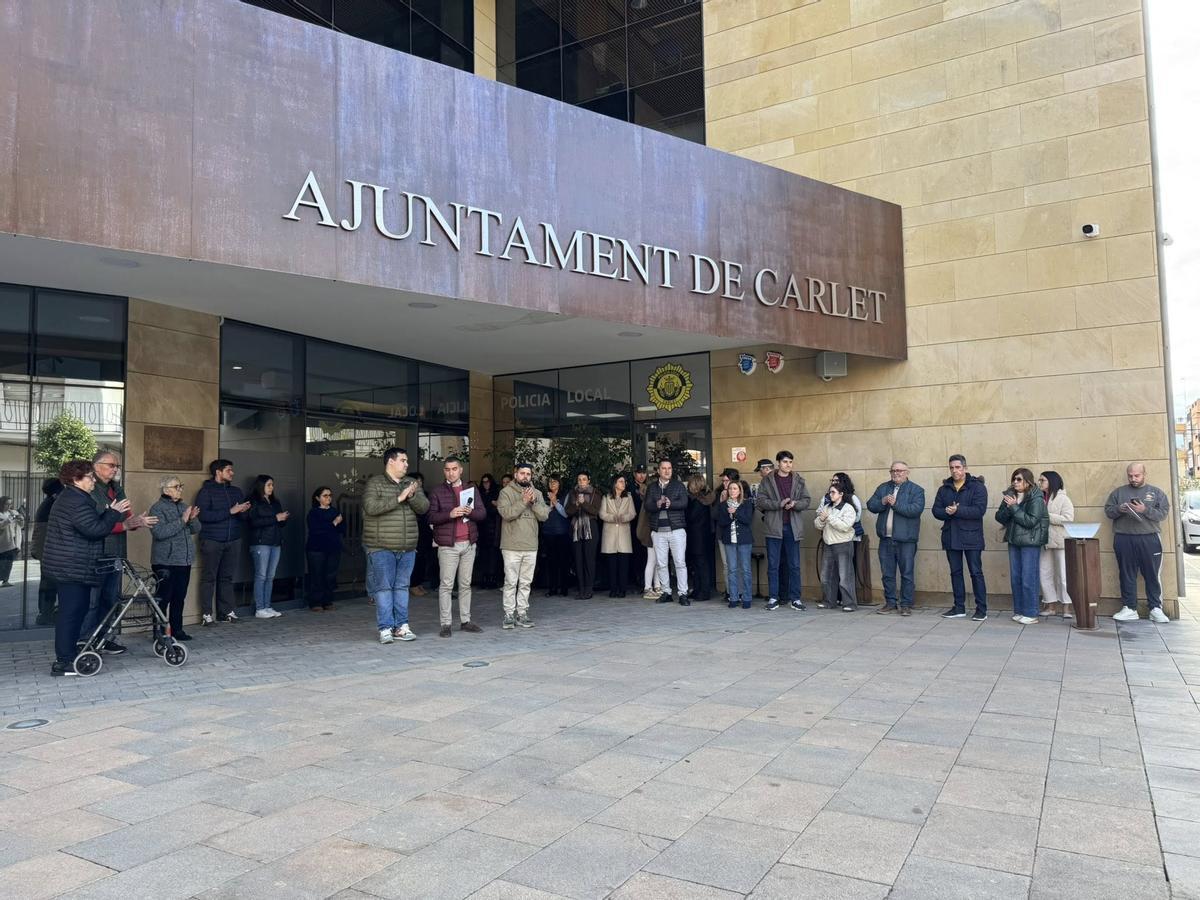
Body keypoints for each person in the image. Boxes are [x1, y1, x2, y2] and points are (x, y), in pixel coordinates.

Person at [43, 459, 127, 676]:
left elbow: (90, 525)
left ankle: (69, 654)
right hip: (71, 566)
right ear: (76, 479)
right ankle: (64, 661)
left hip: (73, 566)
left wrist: (109, 513)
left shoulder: (75, 497)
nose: (93, 481)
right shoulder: (75, 500)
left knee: (75, 611)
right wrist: (113, 512)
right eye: (89, 477)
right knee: (71, 614)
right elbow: (94, 530)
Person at [82, 451, 155, 649]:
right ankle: (85, 641)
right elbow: (94, 524)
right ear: (96, 466)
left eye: (117, 466)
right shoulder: (89, 487)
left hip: (115, 553)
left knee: (110, 598)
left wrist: (137, 521)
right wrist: (123, 524)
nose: (115, 469)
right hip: (95, 553)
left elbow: (127, 518)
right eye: (111, 465)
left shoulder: (117, 488)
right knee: (92, 601)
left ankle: (105, 639)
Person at [362, 446, 428, 643]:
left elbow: (424, 507)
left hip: (407, 547)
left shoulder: (412, 483)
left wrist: (412, 495)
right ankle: (385, 628)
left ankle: (402, 627)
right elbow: (371, 507)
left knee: (402, 587)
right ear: (391, 461)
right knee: (383, 588)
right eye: (403, 460)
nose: (407, 464)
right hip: (381, 546)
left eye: (407, 461)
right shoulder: (375, 483)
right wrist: (399, 498)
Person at [428, 455, 487, 637]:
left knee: (465, 584)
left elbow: (482, 513)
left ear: (461, 470)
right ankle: (446, 624)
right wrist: (450, 514)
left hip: (468, 543)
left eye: (454, 469)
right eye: (447, 469)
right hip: (448, 545)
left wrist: (471, 512)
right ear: (444, 471)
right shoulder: (437, 491)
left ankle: (465, 621)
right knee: (446, 585)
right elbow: (430, 517)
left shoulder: (471, 489)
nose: (451, 473)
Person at [1105, 462, 1171, 623]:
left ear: (1144, 474)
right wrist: (1119, 509)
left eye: (1137, 475)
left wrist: (1145, 510)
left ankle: (1155, 608)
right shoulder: (1118, 492)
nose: (1133, 479)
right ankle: (1129, 608)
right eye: (1130, 476)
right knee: (1126, 573)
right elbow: (1108, 511)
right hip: (1124, 538)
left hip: (1149, 538)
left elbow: (1163, 514)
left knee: (1152, 574)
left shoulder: (1156, 493)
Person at [932, 454, 989, 621]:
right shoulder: (944, 488)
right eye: (952, 467)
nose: (954, 470)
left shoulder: (977, 487)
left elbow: (979, 510)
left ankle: (981, 609)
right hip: (951, 536)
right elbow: (936, 510)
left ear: (965, 468)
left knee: (976, 573)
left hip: (972, 537)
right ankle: (959, 607)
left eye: (958, 467)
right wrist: (947, 511)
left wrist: (958, 510)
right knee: (955, 572)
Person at [196, 458, 251, 624]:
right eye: (228, 470)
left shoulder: (236, 491)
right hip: (212, 540)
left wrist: (243, 511)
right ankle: (206, 614)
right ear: (218, 472)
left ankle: (227, 612)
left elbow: (243, 518)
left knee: (227, 577)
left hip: (233, 540)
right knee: (209, 578)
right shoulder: (206, 492)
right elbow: (203, 516)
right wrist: (230, 511)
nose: (232, 473)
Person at [755, 450, 811, 611]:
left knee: (794, 565)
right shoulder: (767, 480)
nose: (788, 465)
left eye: (790, 462)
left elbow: (806, 500)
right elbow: (760, 501)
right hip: (774, 527)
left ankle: (796, 599)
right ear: (778, 463)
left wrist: (795, 504)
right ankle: (774, 597)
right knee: (773, 565)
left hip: (793, 527)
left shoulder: (799, 480)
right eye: (785, 462)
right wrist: (778, 504)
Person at [866, 461, 925, 616]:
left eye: (899, 470)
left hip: (906, 540)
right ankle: (890, 603)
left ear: (907, 472)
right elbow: (871, 505)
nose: (896, 473)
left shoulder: (916, 490)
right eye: (893, 470)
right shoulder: (883, 488)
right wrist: (882, 501)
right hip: (886, 539)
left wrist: (896, 504)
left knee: (907, 573)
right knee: (887, 574)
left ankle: (906, 604)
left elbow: (915, 510)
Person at [148, 476, 201, 641]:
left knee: (179, 597)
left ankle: (177, 630)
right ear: (166, 490)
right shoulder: (157, 508)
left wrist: (192, 519)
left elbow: (196, 529)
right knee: (163, 598)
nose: (180, 489)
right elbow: (159, 533)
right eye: (176, 486)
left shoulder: (184, 506)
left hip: (184, 561)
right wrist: (182, 520)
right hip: (165, 562)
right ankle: (160, 633)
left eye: (181, 486)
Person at [996, 468, 1049, 625]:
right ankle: (1019, 610)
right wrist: (1009, 508)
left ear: (1028, 481)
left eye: (1019, 479)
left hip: (1030, 542)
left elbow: (1030, 521)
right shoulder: (1010, 495)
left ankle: (1031, 613)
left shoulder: (1036, 497)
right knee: (1016, 578)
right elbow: (999, 517)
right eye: (1014, 479)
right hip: (1014, 540)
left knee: (1028, 577)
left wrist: (1014, 507)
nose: (1015, 482)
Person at [497, 463, 548, 628]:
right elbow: (506, 514)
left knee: (526, 582)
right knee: (510, 582)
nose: (525, 476)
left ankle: (522, 613)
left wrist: (533, 502)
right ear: (515, 474)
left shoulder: (537, 493)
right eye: (522, 473)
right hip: (511, 546)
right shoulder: (506, 492)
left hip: (531, 545)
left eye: (528, 474)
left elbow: (544, 516)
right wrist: (523, 501)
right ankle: (508, 614)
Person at [645, 458, 690, 605]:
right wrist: (657, 504)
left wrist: (671, 504)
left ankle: (683, 593)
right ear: (658, 470)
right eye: (664, 468)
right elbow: (647, 506)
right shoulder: (652, 487)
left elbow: (685, 503)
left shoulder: (679, 485)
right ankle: (666, 592)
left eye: (669, 468)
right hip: (658, 531)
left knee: (680, 562)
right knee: (661, 563)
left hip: (676, 529)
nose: (667, 471)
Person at [815, 472, 862, 608]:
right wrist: (821, 520)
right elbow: (817, 525)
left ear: (841, 494)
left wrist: (829, 518)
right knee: (826, 577)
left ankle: (850, 603)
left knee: (845, 576)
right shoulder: (827, 507)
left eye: (833, 492)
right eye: (830, 492)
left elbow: (845, 526)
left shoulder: (848, 508)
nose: (830, 495)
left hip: (843, 544)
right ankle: (829, 601)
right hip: (828, 543)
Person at [247, 474, 290, 619]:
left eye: (272, 485)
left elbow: (280, 524)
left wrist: (283, 518)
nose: (272, 487)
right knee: (261, 575)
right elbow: (253, 523)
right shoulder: (254, 501)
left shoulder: (275, 502)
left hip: (275, 542)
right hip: (261, 543)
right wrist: (275, 518)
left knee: (270, 576)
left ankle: (267, 606)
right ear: (261, 486)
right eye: (269, 485)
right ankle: (260, 608)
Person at [1037, 471, 1075, 619]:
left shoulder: (1064, 498)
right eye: (1040, 480)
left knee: (1063, 574)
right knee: (1044, 573)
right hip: (1043, 541)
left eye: (1043, 480)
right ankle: (1050, 605)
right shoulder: (1039, 498)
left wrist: (1046, 516)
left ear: (1052, 481)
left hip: (1060, 541)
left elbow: (1068, 519)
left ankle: (1067, 607)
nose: (1040, 483)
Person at [714, 478, 754, 609]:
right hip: (729, 540)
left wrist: (735, 513)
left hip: (744, 540)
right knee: (732, 569)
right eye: (730, 489)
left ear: (740, 491)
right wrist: (729, 515)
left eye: (735, 488)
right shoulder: (722, 505)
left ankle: (747, 597)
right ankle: (734, 597)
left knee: (746, 569)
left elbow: (747, 520)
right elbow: (721, 522)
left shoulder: (747, 503)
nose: (732, 491)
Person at [306, 485, 345, 611]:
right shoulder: (313, 513)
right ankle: (315, 602)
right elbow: (316, 530)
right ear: (318, 498)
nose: (328, 498)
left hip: (333, 548)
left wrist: (336, 524)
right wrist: (333, 523)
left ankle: (327, 601)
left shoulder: (335, 511)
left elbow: (342, 529)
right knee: (317, 575)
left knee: (330, 575)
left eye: (330, 495)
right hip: (316, 549)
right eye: (325, 495)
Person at [31, 478, 63, 626]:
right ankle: (46, 613)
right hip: (49, 550)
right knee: (49, 583)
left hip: (44, 550)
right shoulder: (53, 505)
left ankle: (45, 613)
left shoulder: (47, 504)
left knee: (48, 582)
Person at [566, 471, 602, 599]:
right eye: (579, 479)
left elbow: (595, 511)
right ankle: (581, 589)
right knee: (578, 560)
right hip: (576, 529)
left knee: (589, 559)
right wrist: (576, 504)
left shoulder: (595, 493)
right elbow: (568, 511)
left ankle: (589, 589)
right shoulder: (572, 493)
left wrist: (583, 503)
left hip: (591, 528)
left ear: (588, 481)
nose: (581, 482)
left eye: (584, 479)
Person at [599, 474, 636, 598]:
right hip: (610, 535)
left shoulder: (628, 497)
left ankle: (623, 589)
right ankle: (613, 589)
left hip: (624, 534)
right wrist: (613, 517)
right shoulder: (606, 497)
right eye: (620, 481)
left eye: (624, 482)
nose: (623, 484)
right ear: (615, 483)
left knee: (623, 564)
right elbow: (602, 514)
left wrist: (624, 518)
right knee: (611, 565)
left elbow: (632, 513)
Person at [685, 474, 716, 602]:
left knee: (700, 565)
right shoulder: (706, 498)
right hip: (705, 536)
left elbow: (690, 517)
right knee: (700, 564)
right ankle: (699, 590)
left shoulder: (697, 501)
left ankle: (703, 592)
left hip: (697, 537)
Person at [541, 474, 572, 597]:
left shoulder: (565, 495)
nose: (552, 484)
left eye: (555, 481)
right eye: (550, 482)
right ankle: (552, 588)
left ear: (559, 483)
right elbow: (542, 515)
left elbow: (566, 514)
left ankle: (564, 588)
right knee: (551, 562)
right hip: (548, 532)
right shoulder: (544, 496)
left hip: (562, 532)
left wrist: (555, 502)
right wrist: (549, 505)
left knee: (563, 561)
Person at [408, 471, 433, 597]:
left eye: (420, 481)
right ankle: (413, 584)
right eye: (416, 481)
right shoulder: (408, 495)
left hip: (425, 530)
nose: (419, 483)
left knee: (423, 558)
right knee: (416, 559)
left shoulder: (426, 495)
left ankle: (419, 583)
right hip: (414, 530)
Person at [476, 473, 501, 589]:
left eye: (487, 482)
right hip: (482, 529)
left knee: (493, 555)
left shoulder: (496, 493)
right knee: (483, 555)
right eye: (484, 482)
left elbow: (497, 511)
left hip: (493, 528)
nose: (486, 484)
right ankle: (483, 578)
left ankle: (492, 578)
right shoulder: (480, 494)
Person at [630, 463, 649, 592]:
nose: (641, 476)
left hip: (646, 525)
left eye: (643, 473)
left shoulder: (649, 487)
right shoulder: (630, 488)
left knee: (646, 553)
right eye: (639, 473)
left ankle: (644, 579)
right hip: (634, 523)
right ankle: (637, 579)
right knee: (636, 553)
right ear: (634, 474)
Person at [0, 495, 23, 586]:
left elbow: (21, 526)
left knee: (9, 563)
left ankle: (5, 580)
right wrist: (10, 519)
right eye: (6, 504)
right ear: (1, 504)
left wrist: (21, 519)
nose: (9, 506)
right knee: (2, 562)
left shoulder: (14, 512)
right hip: (2, 542)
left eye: (10, 504)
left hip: (12, 541)